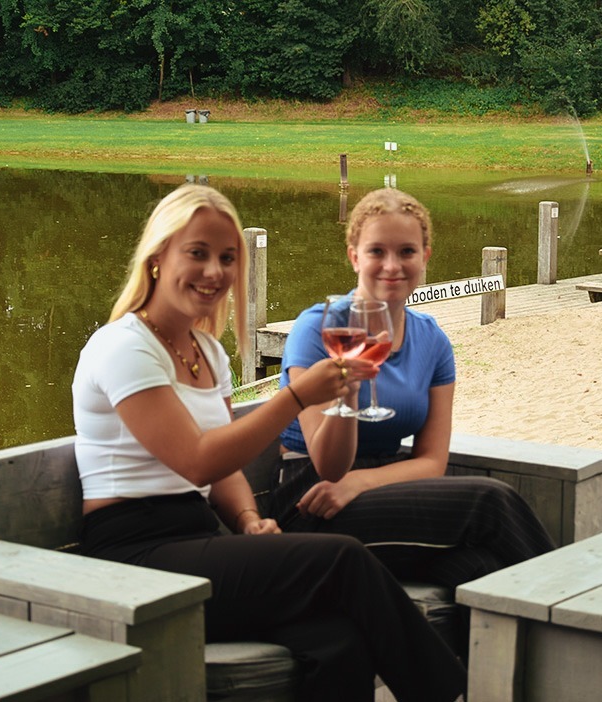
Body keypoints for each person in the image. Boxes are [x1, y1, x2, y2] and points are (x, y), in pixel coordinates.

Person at [72, 183, 466, 702]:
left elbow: (223, 466)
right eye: (198, 253)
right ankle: (456, 694)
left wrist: (247, 520)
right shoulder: (123, 346)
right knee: (342, 560)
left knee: (339, 640)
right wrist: (297, 395)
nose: (215, 271)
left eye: (227, 258)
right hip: (132, 556)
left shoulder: (206, 351)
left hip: (199, 538)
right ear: (157, 257)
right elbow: (195, 461)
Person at [272, 187, 556, 651]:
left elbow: (431, 461)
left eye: (406, 251)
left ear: (425, 257)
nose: (391, 265)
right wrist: (349, 385)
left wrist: (362, 483)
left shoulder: (432, 340)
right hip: (310, 503)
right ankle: (574, 615)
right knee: (489, 501)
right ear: (353, 256)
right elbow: (327, 467)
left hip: (376, 495)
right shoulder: (320, 329)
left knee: (477, 572)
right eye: (376, 251)